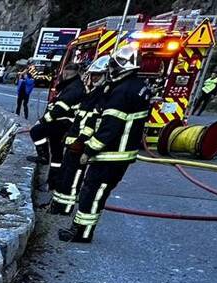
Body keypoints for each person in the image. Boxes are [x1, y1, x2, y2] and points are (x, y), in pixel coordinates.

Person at [61, 45, 151, 243]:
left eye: (112, 66)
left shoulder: (122, 92)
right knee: (96, 193)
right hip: (120, 154)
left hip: (111, 155)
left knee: (92, 193)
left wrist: (89, 149)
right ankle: (80, 228)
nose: (109, 71)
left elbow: (109, 127)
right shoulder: (138, 87)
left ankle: (82, 233)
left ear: (120, 67)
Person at [50, 56, 109, 214]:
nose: (94, 77)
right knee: (64, 175)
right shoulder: (92, 92)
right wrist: (69, 135)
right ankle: (56, 205)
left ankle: (66, 208)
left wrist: (82, 142)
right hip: (73, 140)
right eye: (93, 74)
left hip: (81, 143)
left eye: (98, 75)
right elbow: (80, 118)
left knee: (73, 178)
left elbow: (93, 123)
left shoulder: (102, 95)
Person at [28, 63, 84, 170]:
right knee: (56, 150)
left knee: (36, 131)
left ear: (65, 73)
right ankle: (54, 177)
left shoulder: (73, 88)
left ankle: (44, 157)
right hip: (63, 122)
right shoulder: (72, 86)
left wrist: (42, 121)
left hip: (63, 123)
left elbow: (59, 110)